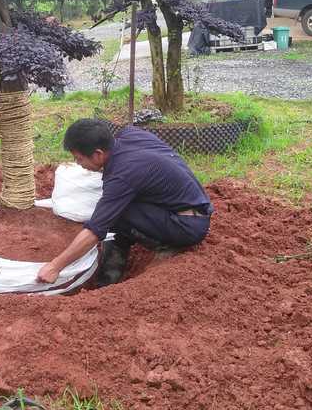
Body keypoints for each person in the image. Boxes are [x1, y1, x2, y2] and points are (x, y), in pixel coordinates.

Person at [36, 118, 213, 287]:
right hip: (189, 205)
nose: (78, 164)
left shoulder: (122, 175)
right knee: (116, 209)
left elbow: (96, 230)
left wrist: (55, 266)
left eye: (80, 159)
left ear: (98, 154)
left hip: (186, 227)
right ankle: (108, 278)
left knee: (114, 215)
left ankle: (110, 278)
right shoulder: (130, 134)